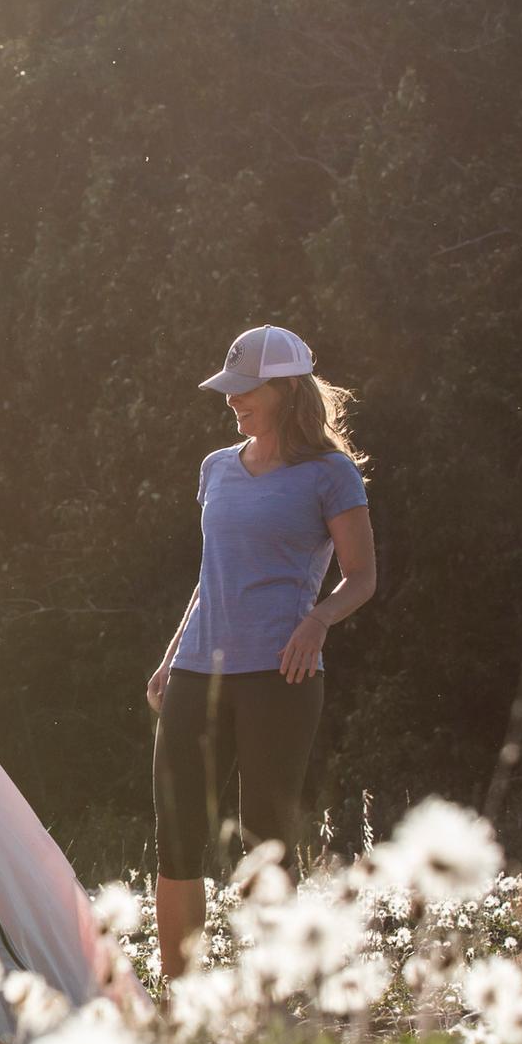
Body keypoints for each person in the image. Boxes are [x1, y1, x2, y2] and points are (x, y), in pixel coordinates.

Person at [146, 325, 376, 980]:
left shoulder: (330, 474)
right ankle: (178, 990)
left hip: (281, 674)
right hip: (197, 671)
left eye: (245, 390)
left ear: (284, 389)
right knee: (177, 834)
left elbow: (361, 576)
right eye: (229, 389)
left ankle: (272, 993)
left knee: (265, 838)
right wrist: (170, 657)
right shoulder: (216, 467)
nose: (231, 401)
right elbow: (211, 573)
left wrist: (318, 621)